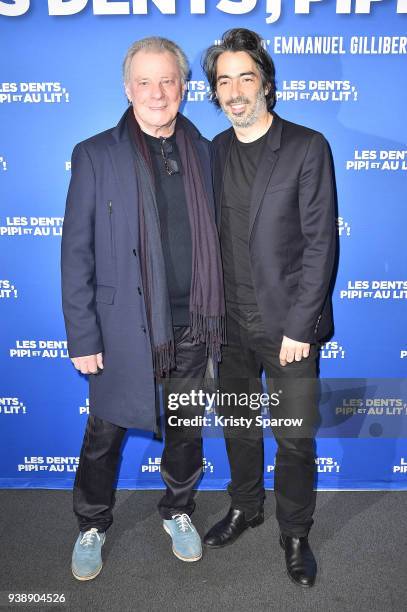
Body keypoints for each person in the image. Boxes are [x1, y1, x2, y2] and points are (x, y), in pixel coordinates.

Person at [61, 36, 225, 581]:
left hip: (193, 324)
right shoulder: (95, 153)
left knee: (185, 429)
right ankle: (92, 522)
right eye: (145, 81)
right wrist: (83, 335)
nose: (157, 93)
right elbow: (76, 250)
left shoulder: (206, 150)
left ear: (183, 86)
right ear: (127, 88)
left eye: (168, 80)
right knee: (105, 432)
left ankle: (177, 510)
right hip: (123, 328)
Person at [202, 28, 336, 588]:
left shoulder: (307, 146)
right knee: (237, 424)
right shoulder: (212, 151)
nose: (234, 91)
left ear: (266, 83)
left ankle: (296, 531)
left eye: (245, 77)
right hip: (226, 325)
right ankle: (246, 506)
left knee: (294, 436)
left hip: (288, 328)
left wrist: (302, 324)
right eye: (223, 80)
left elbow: (320, 244)